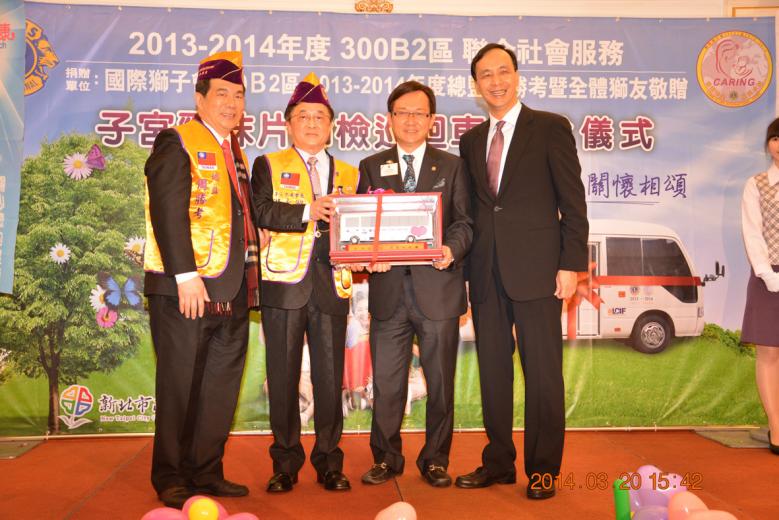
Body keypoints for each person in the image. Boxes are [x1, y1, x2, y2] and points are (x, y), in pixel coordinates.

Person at [454, 43, 589, 499]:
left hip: (539, 272)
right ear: (476, 85)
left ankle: (543, 470)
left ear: (516, 76)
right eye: (486, 75)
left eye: (503, 71)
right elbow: (472, 211)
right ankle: (498, 462)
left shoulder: (550, 128)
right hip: (485, 272)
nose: (495, 81)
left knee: (543, 374)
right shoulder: (471, 141)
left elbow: (573, 204)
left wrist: (571, 265)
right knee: (493, 372)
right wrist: (464, 273)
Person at [143, 51, 263, 509]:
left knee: (219, 386)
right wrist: (185, 275)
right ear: (199, 99)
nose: (232, 104)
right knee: (180, 383)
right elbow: (166, 211)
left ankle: (206, 469)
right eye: (222, 94)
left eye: (239, 96)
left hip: (231, 291)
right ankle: (171, 475)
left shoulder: (236, 153)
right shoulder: (177, 142)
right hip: (186, 290)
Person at [357, 81, 472, 488]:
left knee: (439, 384)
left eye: (418, 113)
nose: (410, 120)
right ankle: (386, 458)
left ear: (431, 120)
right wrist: (367, 253)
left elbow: (465, 222)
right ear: (389, 119)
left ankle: (436, 459)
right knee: (387, 384)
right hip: (388, 293)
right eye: (402, 112)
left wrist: (450, 249)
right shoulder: (372, 166)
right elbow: (361, 225)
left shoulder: (452, 166)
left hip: (437, 291)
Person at [250, 72, 359, 492]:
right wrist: (306, 211)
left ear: (331, 125)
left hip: (332, 286)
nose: (312, 124)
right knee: (282, 377)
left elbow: (361, 227)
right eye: (303, 116)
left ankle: (330, 462)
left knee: (331, 379)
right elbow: (261, 211)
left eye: (320, 117)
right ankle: (285, 463)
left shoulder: (351, 172)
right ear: (288, 123)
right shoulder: (268, 164)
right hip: (283, 285)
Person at [741, 117, 779, 456]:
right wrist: (769, 275)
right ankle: (777, 428)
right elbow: (753, 233)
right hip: (770, 277)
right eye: (775, 138)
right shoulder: (757, 184)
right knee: (769, 352)